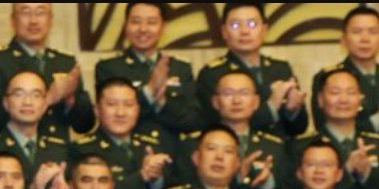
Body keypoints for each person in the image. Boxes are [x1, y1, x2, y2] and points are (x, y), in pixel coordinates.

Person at [0, 2, 94, 137]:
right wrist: (50, 97)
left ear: (50, 19)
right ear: (13, 20)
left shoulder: (65, 62)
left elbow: (85, 125)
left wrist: (70, 100)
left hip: (57, 152)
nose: (34, 21)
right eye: (25, 12)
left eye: (40, 12)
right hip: (11, 152)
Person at [195, 2, 307, 139]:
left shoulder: (281, 69)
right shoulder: (212, 74)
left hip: (279, 153)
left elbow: (299, 128)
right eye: (235, 25)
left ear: (265, 30)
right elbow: (215, 126)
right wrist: (271, 107)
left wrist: (293, 111)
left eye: (252, 24)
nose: (245, 31)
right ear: (224, 31)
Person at [93, 1, 198, 138]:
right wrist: (149, 91)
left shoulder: (180, 68)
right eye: (136, 22)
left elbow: (193, 121)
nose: (143, 29)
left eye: (151, 22)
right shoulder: (109, 68)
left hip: (173, 153)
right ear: (126, 25)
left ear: (163, 27)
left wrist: (162, 104)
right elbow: (110, 118)